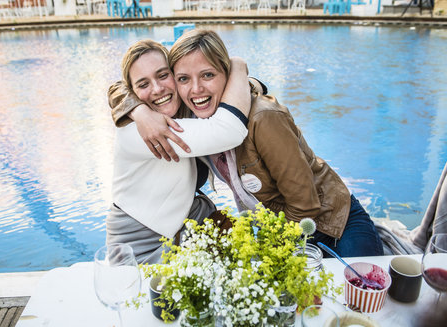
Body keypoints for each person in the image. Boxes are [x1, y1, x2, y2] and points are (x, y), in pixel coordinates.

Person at [111, 30, 384, 258]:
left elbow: (306, 206)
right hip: (280, 224)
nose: (195, 89)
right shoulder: (184, 116)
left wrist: (269, 252)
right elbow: (118, 87)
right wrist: (137, 110)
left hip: (332, 223)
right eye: (184, 78)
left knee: (365, 303)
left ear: (227, 76)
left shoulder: (262, 119)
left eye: (208, 75)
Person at [107, 39, 251, 264]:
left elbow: (223, 89)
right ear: (133, 93)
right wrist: (239, 66)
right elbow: (229, 131)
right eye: (143, 84)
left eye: (163, 75)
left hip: (189, 223)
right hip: (139, 247)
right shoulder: (136, 132)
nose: (157, 89)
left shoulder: (186, 109)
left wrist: (251, 82)